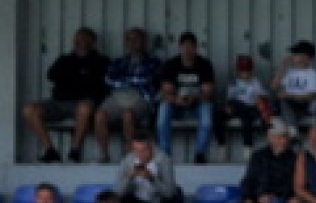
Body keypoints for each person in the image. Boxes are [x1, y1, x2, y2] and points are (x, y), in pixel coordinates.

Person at [22, 26, 108, 163]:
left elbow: (99, 85)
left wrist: (74, 78)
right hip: (59, 102)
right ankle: (50, 151)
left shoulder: (101, 61)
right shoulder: (65, 59)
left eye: (85, 39)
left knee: (84, 108)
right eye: (78, 39)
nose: (80, 42)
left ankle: (75, 151)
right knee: (29, 110)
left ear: (92, 42)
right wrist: (79, 77)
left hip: (84, 103)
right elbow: (51, 75)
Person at [225, 120, 297, 203]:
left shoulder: (293, 158)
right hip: (256, 200)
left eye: (285, 137)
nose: (284, 140)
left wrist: (273, 196)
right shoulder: (258, 156)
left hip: (279, 202)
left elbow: (293, 185)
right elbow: (247, 181)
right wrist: (248, 200)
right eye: (281, 137)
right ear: (271, 138)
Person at [93, 27, 161, 160]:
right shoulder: (119, 62)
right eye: (129, 39)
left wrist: (124, 80)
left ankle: (131, 156)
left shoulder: (153, 61)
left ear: (144, 42)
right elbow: (109, 79)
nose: (133, 42)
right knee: (100, 115)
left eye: (137, 39)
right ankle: (104, 155)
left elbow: (147, 79)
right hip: (118, 96)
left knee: (128, 114)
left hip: (141, 96)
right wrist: (132, 80)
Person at [154, 31, 217, 162]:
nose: (187, 50)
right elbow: (166, 92)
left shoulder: (204, 65)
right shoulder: (171, 65)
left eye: (191, 46)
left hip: (197, 104)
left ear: (196, 48)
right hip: (176, 104)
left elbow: (208, 93)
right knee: (163, 110)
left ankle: (200, 154)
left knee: (207, 115)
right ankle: (165, 154)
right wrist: (177, 99)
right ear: (180, 47)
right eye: (184, 46)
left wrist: (194, 98)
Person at [213, 54, 271, 154]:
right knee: (218, 115)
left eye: (247, 71)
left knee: (246, 116)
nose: (245, 73)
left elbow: (263, 98)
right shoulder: (234, 82)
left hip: (250, 109)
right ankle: (221, 145)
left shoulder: (255, 83)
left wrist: (260, 100)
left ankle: (247, 147)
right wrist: (228, 106)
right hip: (236, 108)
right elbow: (229, 99)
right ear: (238, 71)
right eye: (242, 71)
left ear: (252, 71)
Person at [272, 40, 316, 129]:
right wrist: (283, 67)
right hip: (288, 105)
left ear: (308, 58)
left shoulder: (311, 74)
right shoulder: (290, 72)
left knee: (284, 103)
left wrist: (291, 96)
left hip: (304, 105)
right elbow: (274, 86)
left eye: (299, 55)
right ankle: (286, 131)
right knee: (276, 103)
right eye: (295, 55)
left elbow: (312, 95)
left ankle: (292, 131)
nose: (296, 58)